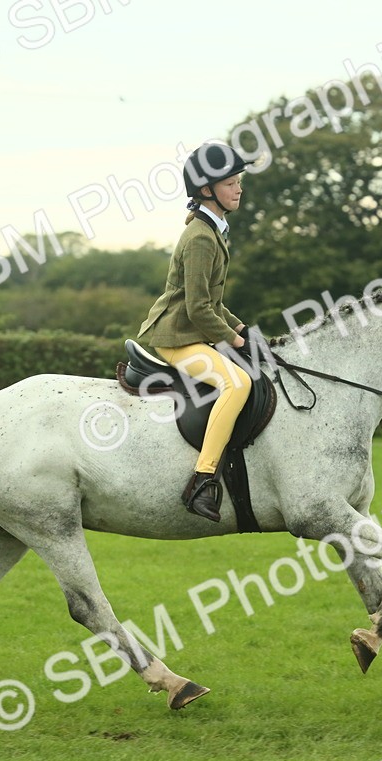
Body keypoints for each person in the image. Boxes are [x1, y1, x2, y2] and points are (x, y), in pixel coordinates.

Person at [137, 143, 254, 522]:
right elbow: (197, 308)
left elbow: (213, 302)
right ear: (207, 190)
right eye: (231, 182)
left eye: (239, 181)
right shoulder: (202, 237)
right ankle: (203, 479)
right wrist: (235, 342)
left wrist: (241, 329)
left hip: (192, 332)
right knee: (237, 384)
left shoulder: (213, 229)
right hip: (176, 338)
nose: (238, 189)